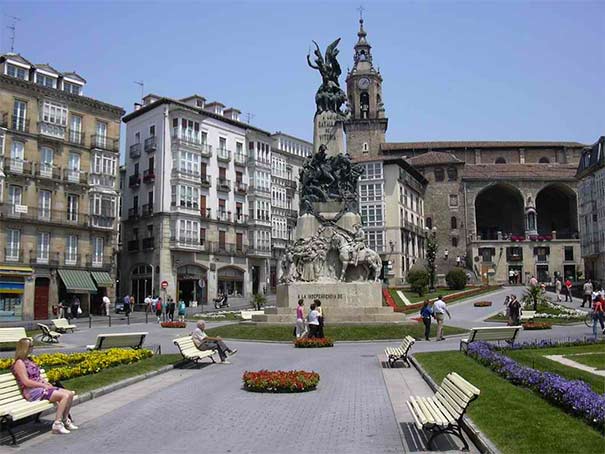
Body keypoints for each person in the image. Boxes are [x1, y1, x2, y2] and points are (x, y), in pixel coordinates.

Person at [11, 338, 78, 434]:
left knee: (70, 394)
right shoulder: (19, 363)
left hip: (39, 388)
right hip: (32, 392)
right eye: (30, 346)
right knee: (64, 396)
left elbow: (36, 376)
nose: (32, 348)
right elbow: (26, 382)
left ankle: (65, 419)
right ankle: (57, 424)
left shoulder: (29, 360)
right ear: (24, 348)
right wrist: (42, 385)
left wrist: (45, 383)